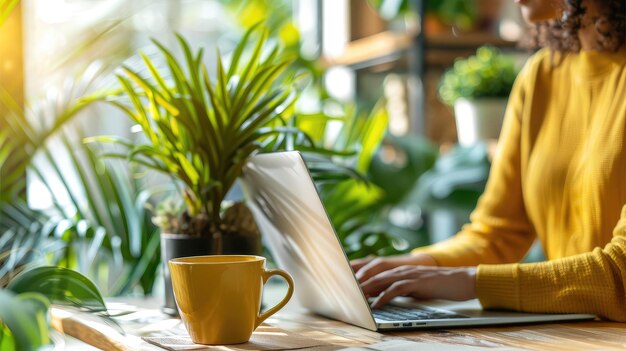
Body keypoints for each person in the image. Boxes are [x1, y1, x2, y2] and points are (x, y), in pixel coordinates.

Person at [352, 0, 626, 321]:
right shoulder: (541, 75)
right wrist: (406, 268)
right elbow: (497, 235)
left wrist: (471, 282)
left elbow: (620, 274)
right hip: (572, 333)